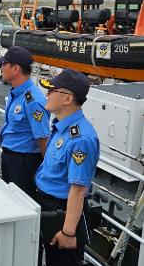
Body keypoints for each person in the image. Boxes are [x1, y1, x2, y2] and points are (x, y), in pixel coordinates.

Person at [35, 69, 99, 266]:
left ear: (67, 98)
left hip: (62, 213)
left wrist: (68, 232)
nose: (47, 94)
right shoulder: (61, 127)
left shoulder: (81, 138)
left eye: (52, 90)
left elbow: (78, 190)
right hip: (48, 204)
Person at [0, 46, 50, 198]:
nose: (0, 68)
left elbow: (43, 138)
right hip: (10, 158)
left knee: (23, 201)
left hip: (24, 163)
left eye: (3, 65)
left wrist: (47, 170)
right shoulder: (15, 93)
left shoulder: (33, 100)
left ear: (15, 68)